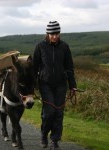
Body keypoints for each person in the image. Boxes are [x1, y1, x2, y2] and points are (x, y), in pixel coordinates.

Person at [33, 21, 77, 150]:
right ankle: (44, 135)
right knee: (49, 112)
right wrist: (33, 85)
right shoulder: (40, 46)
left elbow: (69, 68)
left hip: (61, 85)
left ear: (59, 33)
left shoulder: (64, 47)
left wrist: (72, 85)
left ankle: (55, 141)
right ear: (47, 33)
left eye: (57, 33)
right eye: (52, 34)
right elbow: (34, 67)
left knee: (59, 113)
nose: (54, 36)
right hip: (45, 84)